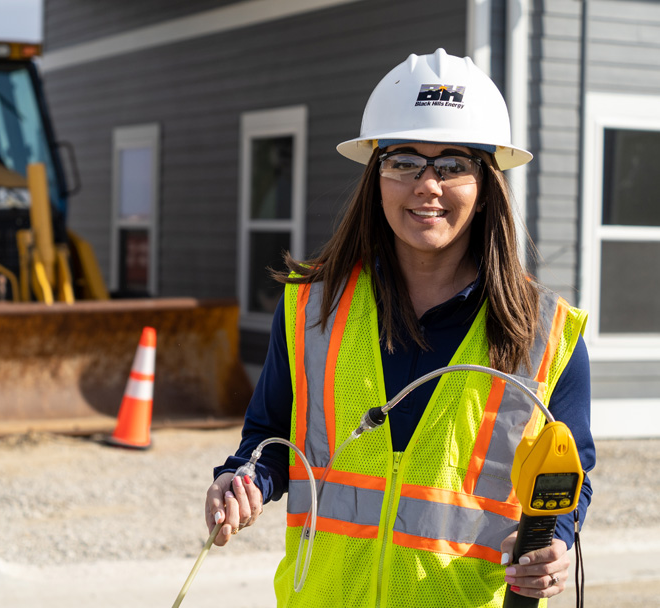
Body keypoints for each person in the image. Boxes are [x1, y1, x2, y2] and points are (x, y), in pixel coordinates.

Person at [204, 48, 594, 607]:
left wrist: (553, 545)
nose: (426, 185)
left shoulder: (547, 334)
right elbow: (269, 442)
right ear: (376, 175)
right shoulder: (311, 308)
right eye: (404, 161)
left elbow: (568, 481)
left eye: (454, 164)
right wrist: (241, 481)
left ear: (487, 185)